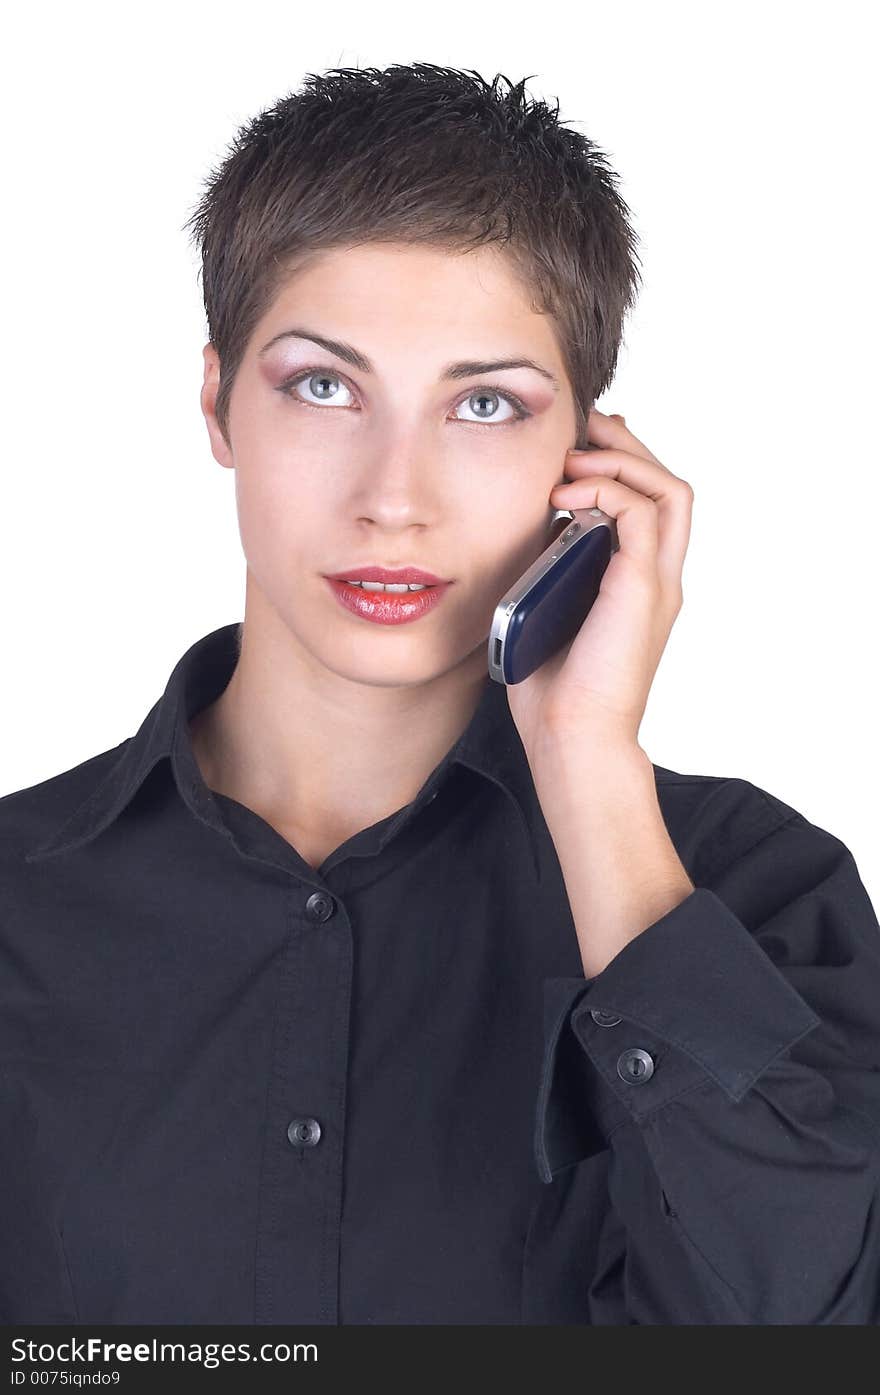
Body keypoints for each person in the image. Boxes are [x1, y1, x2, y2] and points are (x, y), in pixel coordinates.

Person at [2, 62, 879, 1327]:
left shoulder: (752, 892)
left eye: (483, 404)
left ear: (589, 456)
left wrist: (588, 767)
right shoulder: (19, 899)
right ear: (217, 405)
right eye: (322, 386)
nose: (394, 495)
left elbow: (809, 1320)